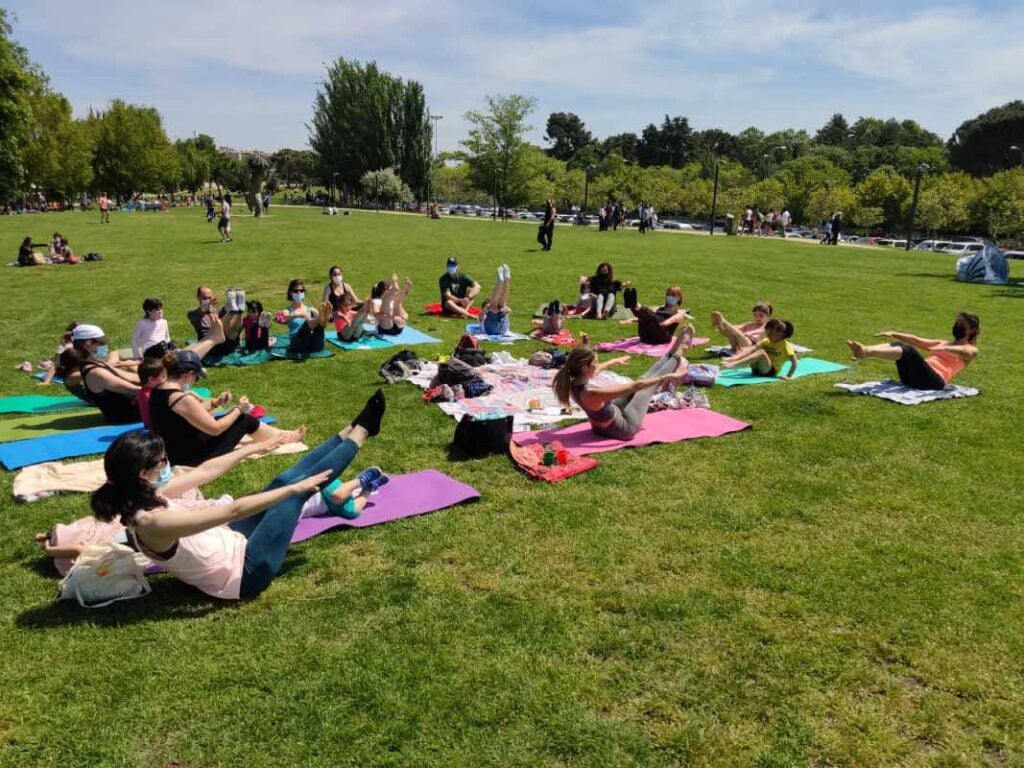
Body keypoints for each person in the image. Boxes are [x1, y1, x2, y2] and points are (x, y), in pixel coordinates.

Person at [89, 390, 387, 600]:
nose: (168, 465)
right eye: (162, 461)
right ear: (142, 473)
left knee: (280, 480)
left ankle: (350, 429)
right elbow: (234, 511)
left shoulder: (145, 492)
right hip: (243, 573)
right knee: (292, 493)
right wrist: (293, 490)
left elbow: (206, 472)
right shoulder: (151, 523)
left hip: (230, 539)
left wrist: (254, 447)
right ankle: (362, 433)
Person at [149, 349, 305, 467]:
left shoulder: (158, 390)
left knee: (233, 417)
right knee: (245, 420)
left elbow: (189, 413)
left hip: (173, 450)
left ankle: (281, 434)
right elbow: (215, 429)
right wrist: (239, 409)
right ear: (189, 374)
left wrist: (216, 403)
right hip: (192, 458)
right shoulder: (182, 399)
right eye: (196, 377)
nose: (195, 381)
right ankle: (284, 438)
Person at [552, 328, 692, 441]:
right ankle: (680, 350)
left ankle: (671, 353)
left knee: (644, 379)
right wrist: (668, 376)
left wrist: (613, 361)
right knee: (646, 387)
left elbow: (594, 372)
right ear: (584, 368)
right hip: (624, 428)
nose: (598, 365)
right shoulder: (591, 394)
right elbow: (636, 386)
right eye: (595, 363)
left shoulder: (573, 381)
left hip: (604, 424)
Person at [846, 312, 979, 391]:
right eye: (956, 323)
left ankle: (865, 352)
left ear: (972, 330)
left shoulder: (970, 348)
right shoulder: (942, 342)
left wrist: (948, 349)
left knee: (908, 351)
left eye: (961, 324)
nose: (957, 326)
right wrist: (894, 333)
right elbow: (916, 340)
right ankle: (865, 350)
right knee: (899, 345)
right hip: (912, 379)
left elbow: (966, 353)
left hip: (934, 382)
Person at [722, 318, 798, 379]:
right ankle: (734, 361)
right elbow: (752, 349)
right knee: (752, 348)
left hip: (770, 371)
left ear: (781, 334)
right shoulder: (766, 341)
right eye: (767, 334)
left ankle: (735, 365)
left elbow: (795, 363)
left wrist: (788, 376)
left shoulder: (785, 345)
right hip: (757, 370)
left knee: (761, 352)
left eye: (771, 334)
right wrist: (735, 357)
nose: (768, 336)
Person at [187, 285, 245, 360]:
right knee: (222, 319)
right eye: (205, 298)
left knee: (232, 322)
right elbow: (201, 311)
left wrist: (232, 302)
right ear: (198, 298)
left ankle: (240, 311)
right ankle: (232, 312)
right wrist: (208, 303)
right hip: (210, 346)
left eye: (209, 298)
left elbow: (226, 309)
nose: (208, 300)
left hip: (228, 343)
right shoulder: (193, 313)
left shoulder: (216, 311)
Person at [276, 278, 331, 354]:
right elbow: (282, 319)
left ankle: (322, 316)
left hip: (314, 343)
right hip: (298, 343)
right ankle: (320, 317)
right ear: (291, 293)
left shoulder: (310, 309)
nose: (299, 293)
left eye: (301, 291)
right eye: (296, 291)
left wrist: (324, 318)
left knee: (320, 325)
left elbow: (323, 324)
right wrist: (297, 314)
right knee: (308, 323)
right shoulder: (287, 311)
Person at [622, 284, 690, 344]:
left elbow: (666, 322)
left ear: (679, 297)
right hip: (646, 338)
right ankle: (632, 306)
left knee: (653, 317)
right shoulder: (660, 307)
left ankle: (635, 305)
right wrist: (632, 320)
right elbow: (648, 317)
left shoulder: (680, 312)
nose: (670, 297)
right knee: (644, 318)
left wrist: (657, 322)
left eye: (673, 295)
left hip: (662, 337)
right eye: (668, 295)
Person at [134, 357, 167, 430]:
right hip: (155, 428)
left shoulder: (147, 391)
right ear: (151, 379)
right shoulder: (149, 395)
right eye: (163, 377)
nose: (166, 380)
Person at [481, 264, 511, 336]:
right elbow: (481, 317)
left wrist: (506, 309)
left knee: (501, 303)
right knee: (498, 305)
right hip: (494, 329)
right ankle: (504, 280)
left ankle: (503, 280)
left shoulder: (496, 306)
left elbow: (509, 310)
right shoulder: (485, 314)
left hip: (501, 328)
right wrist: (487, 309)